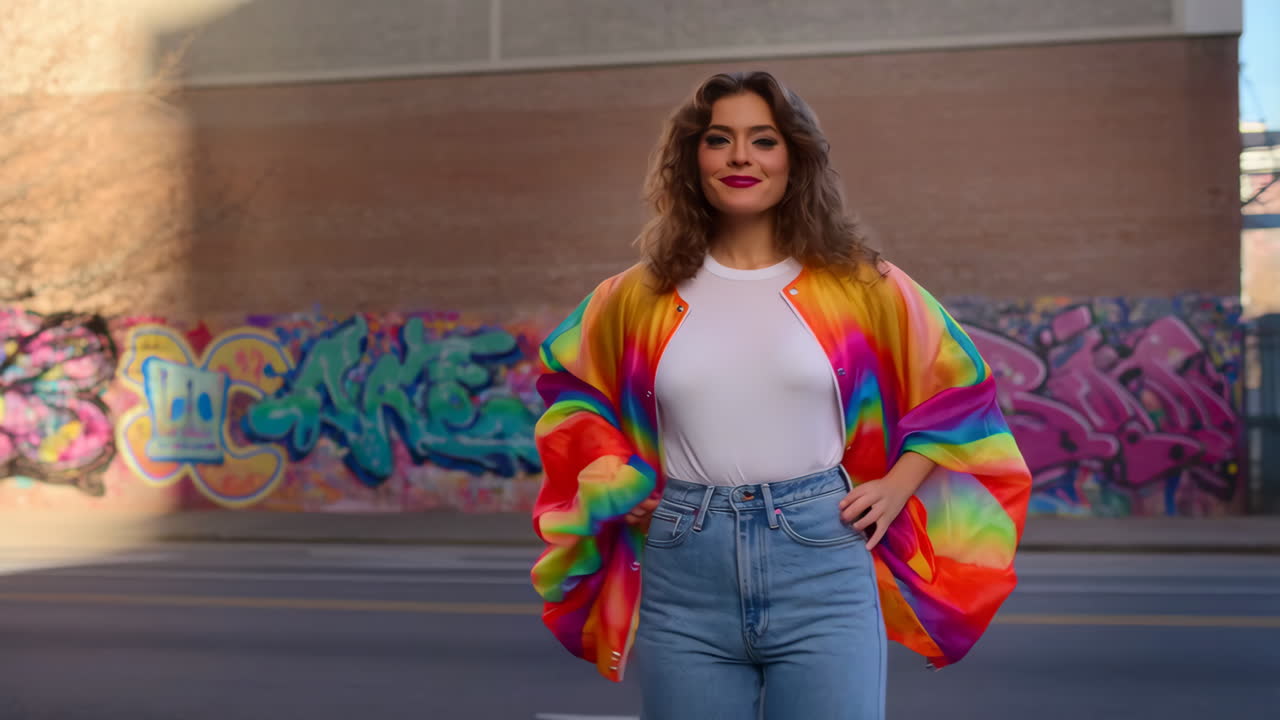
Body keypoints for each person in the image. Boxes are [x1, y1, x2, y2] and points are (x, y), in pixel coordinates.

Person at [530, 70, 1031, 720]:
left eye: (763, 140)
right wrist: (613, 478)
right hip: (684, 566)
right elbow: (574, 396)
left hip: (822, 558)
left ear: (794, 157)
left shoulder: (860, 285)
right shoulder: (637, 295)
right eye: (720, 139)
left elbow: (960, 390)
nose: (741, 156)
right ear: (694, 159)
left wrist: (898, 484)